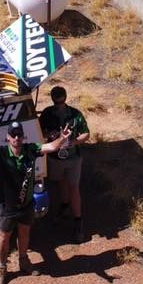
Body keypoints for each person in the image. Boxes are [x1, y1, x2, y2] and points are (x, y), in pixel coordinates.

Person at [0, 121, 71, 284]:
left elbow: (50, 147)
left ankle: (23, 261)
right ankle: (2, 268)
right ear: (8, 137)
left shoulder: (31, 149)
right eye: (13, 135)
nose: (16, 138)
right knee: (4, 237)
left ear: (23, 136)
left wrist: (62, 139)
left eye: (19, 134)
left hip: (27, 204)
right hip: (8, 207)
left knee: (25, 233)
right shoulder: (1, 153)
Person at [39, 86, 90, 243]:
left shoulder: (73, 115)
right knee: (63, 182)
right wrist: (50, 135)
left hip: (71, 157)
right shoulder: (50, 114)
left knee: (74, 187)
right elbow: (40, 133)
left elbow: (86, 134)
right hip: (56, 157)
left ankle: (78, 221)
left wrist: (72, 142)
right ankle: (66, 205)